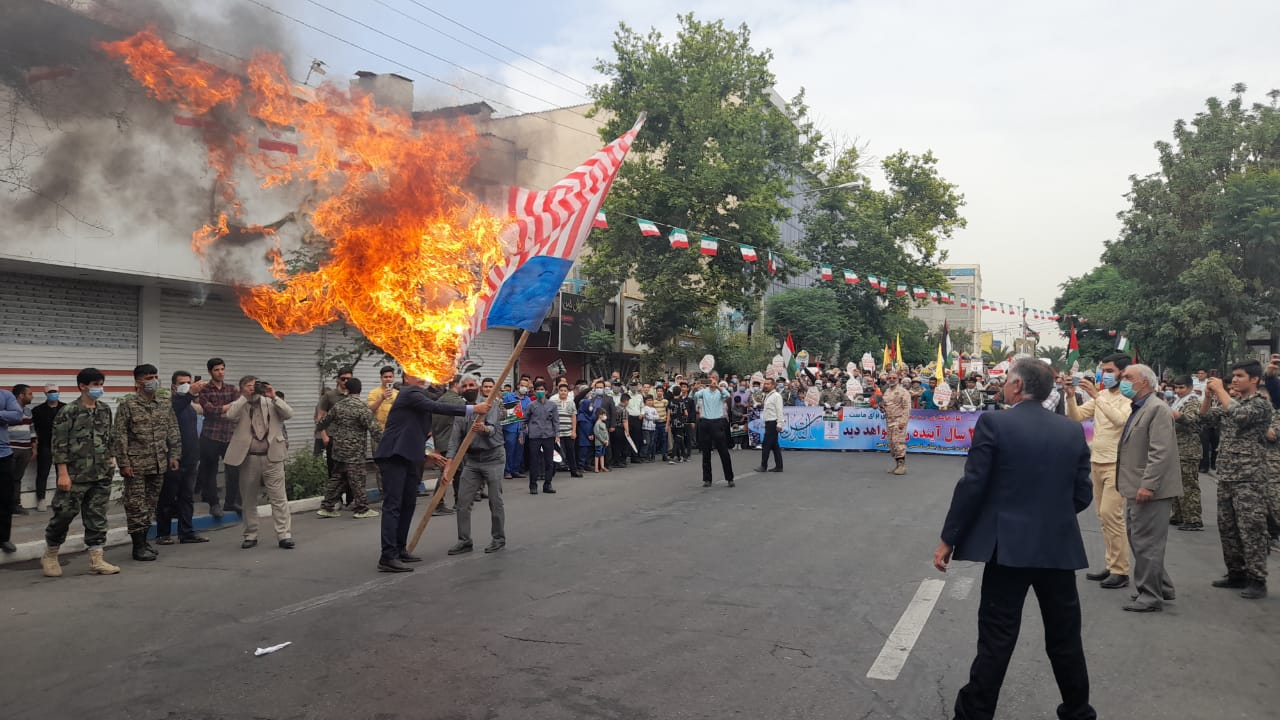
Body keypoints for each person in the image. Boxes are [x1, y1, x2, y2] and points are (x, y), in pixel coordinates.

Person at [934, 358, 1096, 720]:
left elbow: (972, 486)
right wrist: (1051, 516)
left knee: (997, 638)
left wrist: (949, 539)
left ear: (1018, 387)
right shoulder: (1072, 431)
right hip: (1057, 548)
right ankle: (1078, 710)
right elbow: (1081, 494)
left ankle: (974, 713)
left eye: (1007, 380)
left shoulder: (994, 422)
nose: (1004, 386)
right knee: (1065, 637)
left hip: (1006, 549)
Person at [373, 370, 488, 573]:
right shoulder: (409, 393)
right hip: (394, 455)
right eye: (415, 374)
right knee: (393, 505)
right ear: (406, 378)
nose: (422, 377)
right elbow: (438, 406)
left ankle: (400, 549)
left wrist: (427, 452)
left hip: (411, 456)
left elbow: (429, 411)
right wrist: (473, 409)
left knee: (408, 503)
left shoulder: (422, 396)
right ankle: (387, 555)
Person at [1200, 361, 1273, 599]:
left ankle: (1257, 578)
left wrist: (1220, 390)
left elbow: (1241, 416)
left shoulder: (1260, 404)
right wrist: (1208, 396)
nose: (1234, 380)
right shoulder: (1231, 402)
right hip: (1228, 475)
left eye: (1240, 376)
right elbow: (1205, 419)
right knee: (1227, 527)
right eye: (1233, 376)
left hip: (1250, 478)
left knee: (1251, 529)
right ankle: (1236, 573)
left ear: (1254, 379)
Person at [41, 368, 121, 577]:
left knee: (97, 517)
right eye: (95, 384)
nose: (99, 388)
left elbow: (108, 437)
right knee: (64, 514)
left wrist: (111, 460)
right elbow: (59, 444)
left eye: (101, 384)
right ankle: (50, 554)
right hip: (75, 475)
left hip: (101, 473)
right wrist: (62, 473)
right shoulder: (69, 411)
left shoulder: (104, 409)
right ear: (82, 386)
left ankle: (97, 559)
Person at [1115, 364, 1181, 612]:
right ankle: (1160, 586)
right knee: (1140, 539)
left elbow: (1160, 452)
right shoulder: (1140, 408)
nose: (1123, 380)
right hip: (1135, 487)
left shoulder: (1157, 409)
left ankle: (1150, 595)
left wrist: (1149, 485)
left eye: (1128, 377)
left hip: (1149, 489)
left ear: (1144, 382)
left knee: (1147, 543)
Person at [1065, 353, 1133, 589]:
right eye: (1104, 370)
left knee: (1112, 516)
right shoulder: (1102, 395)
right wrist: (1071, 397)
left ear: (1123, 373)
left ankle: (1121, 570)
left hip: (1117, 463)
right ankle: (1112, 564)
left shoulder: (1128, 397)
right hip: (1098, 461)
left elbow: (1121, 421)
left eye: (1110, 370)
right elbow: (1076, 417)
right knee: (1103, 518)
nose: (1105, 374)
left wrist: (1096, 396)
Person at [113, 364, 182, 562]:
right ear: (138, 382)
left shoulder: (163, 403)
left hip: (159, 462)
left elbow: (173, 430)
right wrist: (123, 463)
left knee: (150, 505)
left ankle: (144, 541)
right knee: (136, 505)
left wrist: (175, 455)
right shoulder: (129, 405)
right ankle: (138, 547)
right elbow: (120, 435)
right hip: (136, 465)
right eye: (149, 377)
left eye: (156, 376)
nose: (154, 380)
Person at [225, 376, 295, 550]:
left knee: (279, 498)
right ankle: (251, 534)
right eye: (248, 386)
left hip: (273, 456)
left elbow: (289, 413)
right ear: (241, 388)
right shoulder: (240, 404)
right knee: (249, 498)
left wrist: (273, 395)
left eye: (255, 385)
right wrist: (244, 397)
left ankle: (284, 535)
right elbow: (229, 415)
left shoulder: (270, 402)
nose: (253, 389)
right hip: (249, 458)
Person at [446, 379, 506, 555]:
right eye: (464, 386)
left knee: (495, 501)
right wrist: (449, 463)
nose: (468, 388)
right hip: (472, 460)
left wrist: (484, 429)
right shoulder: (461, 411)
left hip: (493, 457)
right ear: (460, 390)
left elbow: (493, 428)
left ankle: (498, 539)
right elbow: (454, 439)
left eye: (471, 385)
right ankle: (464, 541)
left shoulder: (490, 405)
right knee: (462, 502)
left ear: (477, 388)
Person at [316, 377, 382, 520]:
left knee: (338, 478)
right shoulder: (362, 408)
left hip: (338, 450)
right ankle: (362, 509)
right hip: (355, 451)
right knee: (357, 479)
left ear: (347, 389)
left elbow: (321, 423)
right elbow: (375, 430)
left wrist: (324, 432)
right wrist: (386, 444)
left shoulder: (338, 406)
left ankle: (326, 507)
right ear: (360, 390)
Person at [156, 371, 208, 545]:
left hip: (191, 459)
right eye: (183, 383)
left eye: (189, 382)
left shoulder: (190, 407)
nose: (187, 385)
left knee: (187, 497)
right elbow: (177, 405)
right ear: (173, 386)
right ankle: (163, 533)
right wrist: (190, 394)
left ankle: (186, 532)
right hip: (174, 459)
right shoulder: (170, 404)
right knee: (168, 498)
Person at [194, 357, 241, 519]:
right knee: (210, 471)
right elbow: (210, 411)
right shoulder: (205, 390)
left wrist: (222, 410)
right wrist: (227, 409)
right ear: (210, 372)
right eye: (216, 370)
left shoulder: (231, 389)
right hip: (210, 435)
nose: (220, 372)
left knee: (233, 469)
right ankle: (214, 504)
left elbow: (238, 409)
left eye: (222, 369)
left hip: (229, 435)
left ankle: (231, 502)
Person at [1169, 376, 1203, 531]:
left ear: (1189, 387)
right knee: (1176, 484)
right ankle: (1179, 515)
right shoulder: (1177, 401)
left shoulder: (1193, 402)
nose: (1178, 391)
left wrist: (1177, 415)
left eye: (1181, 388)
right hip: (1176, 448)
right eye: (1176, 387)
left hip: (1188, 450)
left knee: (1188, 485)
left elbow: (1192, 420)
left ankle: (1193, 518)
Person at [694, 372, 734, 487]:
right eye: (710, 378)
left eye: (714, 378)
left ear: (717, 379)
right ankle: (707, 479)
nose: (711, 380)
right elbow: (694, 396)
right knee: (706, 452)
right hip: (705, 422)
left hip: (717, 422)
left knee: (723, 451)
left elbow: (727, 396)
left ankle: (730, 478)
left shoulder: (720, 392)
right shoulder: (704, 391)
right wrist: (695, 388)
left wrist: (717, 387)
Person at [31, 384, 65, 512]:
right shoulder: (37, 410)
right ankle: (41, 499)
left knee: (61, 472)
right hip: (45, 445)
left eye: (55, 391)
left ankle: (60, 499)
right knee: (42, 473)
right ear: (45, 394)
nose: (53, 394)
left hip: (62, 445)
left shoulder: (65, 408)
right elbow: (34, 429)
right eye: (50, 392)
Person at [316, 366, 354, 477]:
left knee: (350, 474)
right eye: (343, 379)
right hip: (333, 437)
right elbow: (320, 416)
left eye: (349, 379)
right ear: (337, 379)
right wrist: (324, 436)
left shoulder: (353, 395)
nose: (346, 381)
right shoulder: (329, 395)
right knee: (334, 473)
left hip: (349, 439)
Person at [523, 383, 559, 495]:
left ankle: (548, 484)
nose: (540, 391)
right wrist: (523, 433)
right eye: (537, 389)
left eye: (542, 389)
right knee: (534, 462)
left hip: (548, 436)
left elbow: (556, 421)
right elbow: (524, 420)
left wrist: (557, 435)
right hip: (534, 437)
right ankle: (533, 485)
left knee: (549, 462)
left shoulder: (552, 405)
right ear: (534, 391)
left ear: (546, 391)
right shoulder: (531, 405)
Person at [0, 387, 23, 553]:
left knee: (4, 499)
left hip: (3, 455)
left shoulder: (5, 395)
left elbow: (17, 415)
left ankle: (3, 539)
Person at [8, 384, 35, 515]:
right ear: (21, 395)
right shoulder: (7, 410)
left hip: (25, 450)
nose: (32, 397)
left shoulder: (28, 412)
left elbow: (32, 431)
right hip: (10, 450)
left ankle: (15, 504)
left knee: (17, 478)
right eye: (30, 394)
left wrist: (33, 448)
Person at [882, 373, 912, 475]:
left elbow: (906, 408)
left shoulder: (903, 392)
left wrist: (903, 422)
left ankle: (902, 466)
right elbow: (886, 406)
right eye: (889, 378)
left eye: (894, 378)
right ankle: (897, 465)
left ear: (898, 379)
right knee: (892, 443)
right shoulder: (887, 391)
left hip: (898, 420)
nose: (891, 379)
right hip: (889, 420)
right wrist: (881, 407)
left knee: (898, 442)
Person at [756, 377, 784, 473]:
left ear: (773, 385)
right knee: (775, 446)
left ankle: (763, 466)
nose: (766, 385)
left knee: (766, 445)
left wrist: (780, 423)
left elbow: (779, 410)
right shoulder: (767, 395)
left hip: (773, 422)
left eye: (768, 384)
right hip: (768, 422)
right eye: (765, 384)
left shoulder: (776, 396)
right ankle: (779, 466)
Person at [554, 383, 582, 478]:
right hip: (557, 433)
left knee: (571, 451)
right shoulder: (554, 403)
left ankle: (574, 471)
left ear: (567, 392)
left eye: (565, 391)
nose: (563, 392)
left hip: (568, 431)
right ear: (558, 392)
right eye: (561, 390)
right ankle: (552, 471)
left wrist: (574, 431)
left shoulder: (571, 402)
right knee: (555, 452)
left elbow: (574, 417)